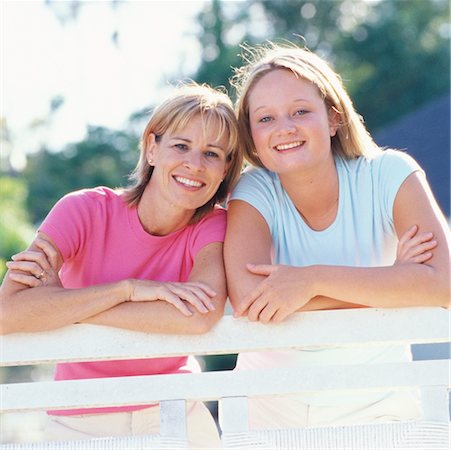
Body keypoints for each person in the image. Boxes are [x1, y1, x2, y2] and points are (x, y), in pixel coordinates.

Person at [0, 82, 243, 447]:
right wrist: (126, 290)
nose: (194, 164)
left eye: (212, 153)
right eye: (181, 145)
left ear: (225, 169)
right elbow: (9, 313)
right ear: (151, 147)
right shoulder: (81, 211)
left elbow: (199, 314)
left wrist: (66, 304)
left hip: (175, 410)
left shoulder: (213, 224)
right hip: (78, 416)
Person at [223, 42, 450, 429]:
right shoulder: (252, 191)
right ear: (252, 137)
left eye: (300, 111)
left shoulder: (390, 173)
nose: (285, 128)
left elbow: (442, 285)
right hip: (272, 405)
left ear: (333, 118)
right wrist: (395, 284)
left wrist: (309, 281)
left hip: (381, 400)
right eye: (265, 119)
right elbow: (251, 299)